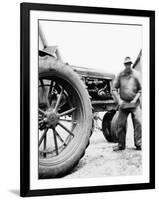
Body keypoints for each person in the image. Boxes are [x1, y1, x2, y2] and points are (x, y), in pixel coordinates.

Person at [112, 56, 142, 151]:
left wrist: (135, 99)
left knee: (138, 122)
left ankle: (139, 144)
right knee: (120, 124)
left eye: (129, 64)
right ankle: (121, 145)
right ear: (124, 65)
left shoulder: (136, 74)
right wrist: (119, 100)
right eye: (126, 64)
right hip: (123, 104)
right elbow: (113, 89)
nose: (128, 66)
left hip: (135, 104)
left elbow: (141, 90)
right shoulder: (120, 75)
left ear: (131, 64)